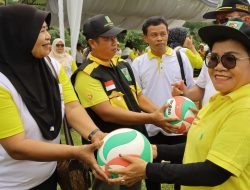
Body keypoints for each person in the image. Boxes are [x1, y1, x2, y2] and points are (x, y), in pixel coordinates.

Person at [109, 18, 250, 190]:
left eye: (230, 59)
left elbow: (214, 172)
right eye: (213, 58)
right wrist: (157, 150)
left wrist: (148, 170)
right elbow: (197, 144)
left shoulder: (244, 109)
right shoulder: (219, 100)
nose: (219, 67)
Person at [0, 4, 107, 190]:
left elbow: (72, 107)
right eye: (40, 30)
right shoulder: (2, 82)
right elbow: (16, 146)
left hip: (48, 176)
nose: (48, 36)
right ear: (16, 35)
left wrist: (95, 134)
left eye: (47, 29)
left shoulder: (52, 67)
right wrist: (76, 152)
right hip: (11, 184)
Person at [72, 14, 178, 190]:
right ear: (92, 43)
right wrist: (152, 118)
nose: (115, 42)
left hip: (134, 143)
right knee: (109, 185)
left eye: (115, 37)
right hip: (108, 150)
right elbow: (106, 112)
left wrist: (161, 113)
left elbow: (139, 97)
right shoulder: (87, 74)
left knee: (133, 184)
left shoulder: (122, 65)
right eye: (107, 39)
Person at [131, 16, 195, 190]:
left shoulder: (181, 59)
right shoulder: (138, 63)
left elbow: (192, 90)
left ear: (168, 34)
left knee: (181, 169)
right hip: (151, 125)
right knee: (151, 171)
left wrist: (182, 94)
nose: (159, 38)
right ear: (145, 38)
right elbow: (137, 96)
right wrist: (155, 116)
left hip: (179, 125)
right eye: (154, 35)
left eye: (163, 33)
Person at [172, 0, 250, 107]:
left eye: (230, 59)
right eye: (216, 21)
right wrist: (185, 92)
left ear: (247, 20)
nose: (219, 67)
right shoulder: (212, 53)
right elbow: (202, 88)